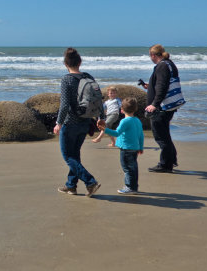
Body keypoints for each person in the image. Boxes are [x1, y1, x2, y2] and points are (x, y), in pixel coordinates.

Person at [54, 48, 105, 197]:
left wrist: (59, 123)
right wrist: (101, 117)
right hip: (85, 122)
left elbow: (64, 105)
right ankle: (71, 186)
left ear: (65, 64)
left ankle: (90, 182)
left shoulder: (66, 80)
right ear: (80, 62)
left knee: (68, 157)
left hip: (70, 123)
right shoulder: (88, 77)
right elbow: (98, 99)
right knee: (75, 155)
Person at [142, 44, 180, 173]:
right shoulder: (169, 63)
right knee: (165, 135)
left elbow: (162, 86)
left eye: (150, 55)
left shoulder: (162, 66)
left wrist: (154, 104)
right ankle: (171, 160)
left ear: (153, 55)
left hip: (161, 107)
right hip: (168, 105)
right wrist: (150, 86)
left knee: (161, 137)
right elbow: (163, 84)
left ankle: (165, 164)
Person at [98, 97, 144, 194]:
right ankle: (134, 187)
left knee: (127, 169)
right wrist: (141, 147)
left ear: (122, 110)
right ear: (135, 109)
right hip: (135, 148)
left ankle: (129, 187)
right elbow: (141, 135)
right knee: (133, 168)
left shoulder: (125, 121)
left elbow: (117, 133)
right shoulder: (137, 120)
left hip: (126, 149)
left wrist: (104, 129)